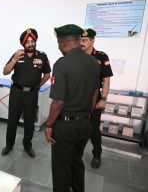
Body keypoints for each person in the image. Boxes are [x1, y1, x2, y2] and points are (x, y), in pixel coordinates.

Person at [45, 24, 100, 192]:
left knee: (61, 168)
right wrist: (86, 115)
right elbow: (95, 93)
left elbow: (58, 102)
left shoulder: (62, 64)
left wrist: (48, 125)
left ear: (62, 43)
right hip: (85, 124)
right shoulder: (93, 62)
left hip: (65, 127)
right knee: (76, 162)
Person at [2, 28, 51, 158]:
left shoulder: (42, 56)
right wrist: (14, 59)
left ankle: (27, 146)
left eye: (32, 41)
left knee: (30, 121)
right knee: (12, 120)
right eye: (28, 42)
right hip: (17, 92)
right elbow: (5, 71)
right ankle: (9, 145)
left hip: (32, 94)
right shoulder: (18, 55)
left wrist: (37, 86)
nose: (30, 44)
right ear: (23, 44)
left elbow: (47, 74)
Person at [81, 28, 113, 169]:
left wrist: (104, 99)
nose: (81, 43)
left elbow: (106, 80)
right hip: (78, 99)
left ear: (92, 41)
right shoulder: (77, 56)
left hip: (95, 100)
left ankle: (97, 155)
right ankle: (77, 154)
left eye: (84, 40)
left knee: (94, 129)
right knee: (79, 128)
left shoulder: (101, 57)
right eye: (80, 40)